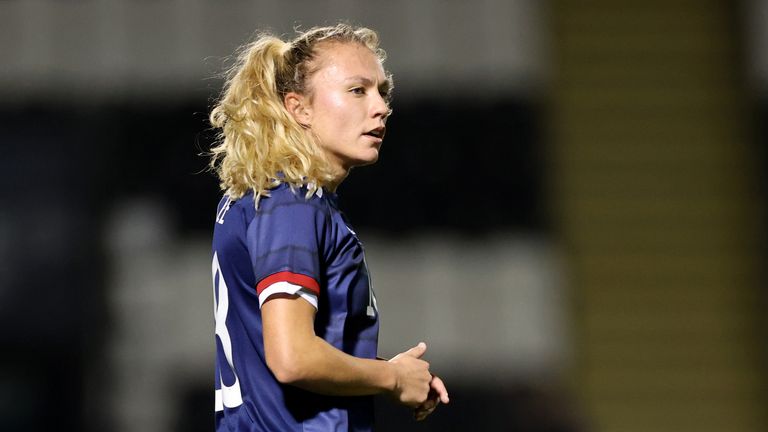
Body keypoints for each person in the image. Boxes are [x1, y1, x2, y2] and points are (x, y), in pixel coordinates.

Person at [207, 23, 449, 431]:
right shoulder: (291, 202)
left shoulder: (273, 195)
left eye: (382, 92)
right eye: (358, 90)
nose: (380, 107)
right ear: (299, 107)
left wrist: (390, 374)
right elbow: (292, 357)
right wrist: (391, 378)